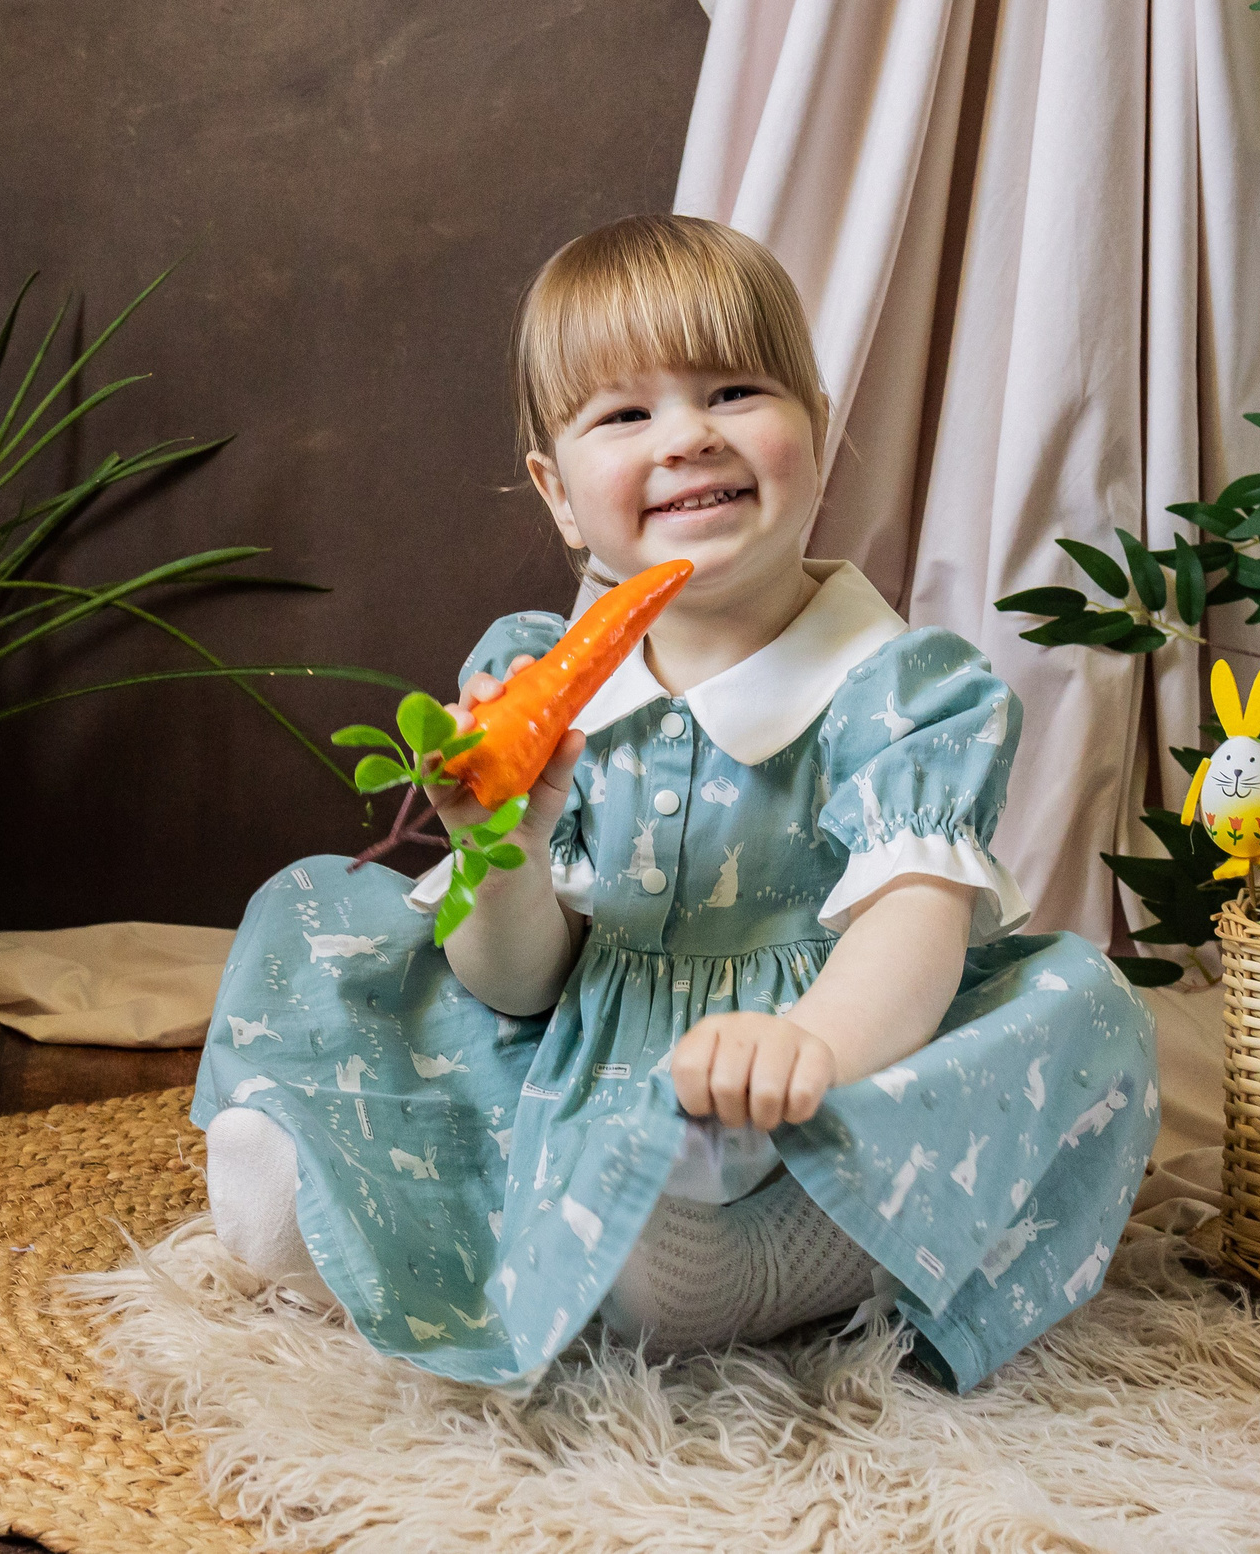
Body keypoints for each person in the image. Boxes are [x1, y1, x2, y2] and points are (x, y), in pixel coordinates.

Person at [194, 214, 1158, 1389]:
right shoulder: (530, 669)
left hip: (827, 1059)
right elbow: (517, 985)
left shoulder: (902, 687)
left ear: (817, 429)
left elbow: (913, 928)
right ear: (557, 493)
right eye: (625, 414)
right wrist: (504, 841)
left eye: (736, 390)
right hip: (584, 1050)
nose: (689, 437)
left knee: (1079, 1011)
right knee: (336, 934)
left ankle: (738, 1264)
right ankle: (363, 1191)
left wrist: (807, 1048)